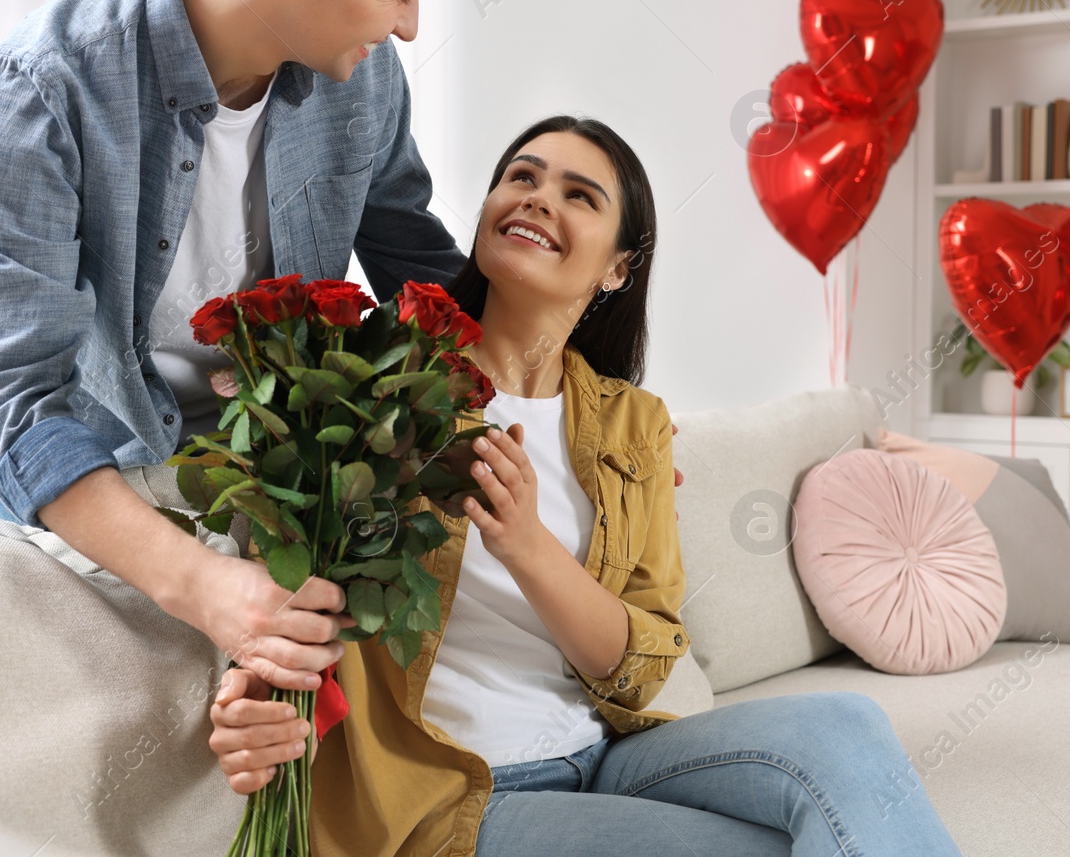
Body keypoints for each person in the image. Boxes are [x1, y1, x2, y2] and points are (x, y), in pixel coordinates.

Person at [208, 116, 964, 856]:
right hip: (451, 795)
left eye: (580, 194)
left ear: (617, 268)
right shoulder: (373, 387)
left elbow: (639, 668)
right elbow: (281, 590)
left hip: (603, 755)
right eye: (522, 176)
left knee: (847, 729)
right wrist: (251, 697)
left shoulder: (633, 426)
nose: (539, 197)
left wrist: (529, 547)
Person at [0, 0, 476, 692]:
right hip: (96, 517)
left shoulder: (365, 83)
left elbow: (429, 284)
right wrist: (207, 586)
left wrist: (592, 409)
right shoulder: (46, 87)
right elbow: (16, 404)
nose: (406, 27)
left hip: (269, 504)